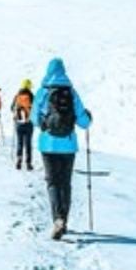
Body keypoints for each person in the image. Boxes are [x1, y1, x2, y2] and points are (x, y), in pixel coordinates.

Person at [32, 57, 92, 240]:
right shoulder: (72, 93)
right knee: (65, 183)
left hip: (48, 145)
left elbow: (34, 119)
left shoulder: (42, 92)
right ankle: (63, 219)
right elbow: (83, 121)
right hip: (68, 144)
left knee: (52, 182)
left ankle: (57, 219)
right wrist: (88, 117)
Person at [12, 79, 34, 171]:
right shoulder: (32, 96)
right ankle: (28, 163)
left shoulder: (17, 96)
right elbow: (35, 109)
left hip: (18, 123)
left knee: (20, 142)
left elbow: (11, 107)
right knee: (28, 143)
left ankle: (19, 161)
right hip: (29, 123)